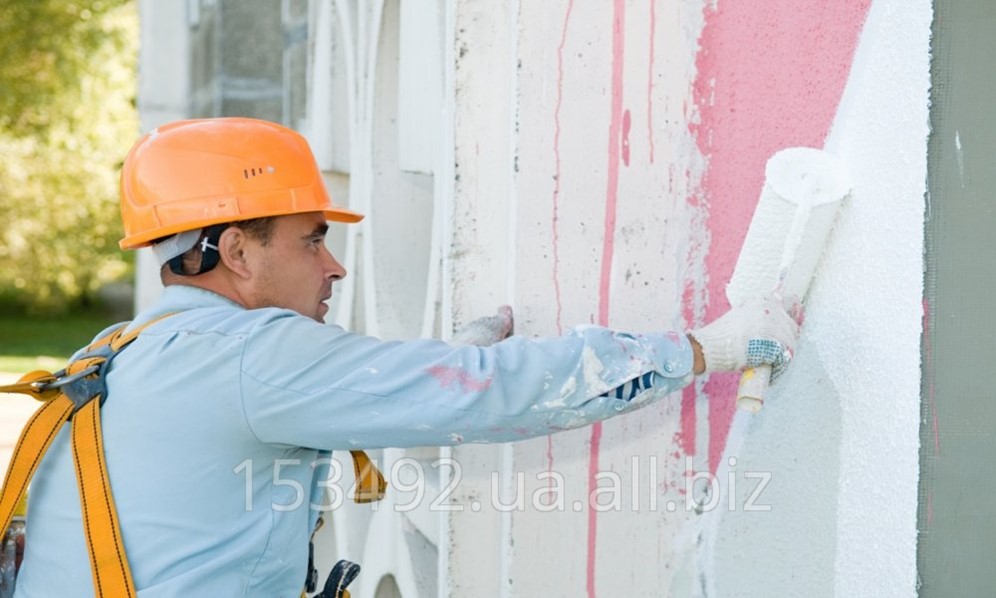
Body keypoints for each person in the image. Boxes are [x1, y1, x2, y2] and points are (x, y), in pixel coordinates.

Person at [13, 117, 798, 596]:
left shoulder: (117, 353)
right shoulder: (251, 358)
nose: (334, 267)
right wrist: (705, 349)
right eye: (312, 239)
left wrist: (423, 373)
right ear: (236, 251)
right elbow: (489, 392)